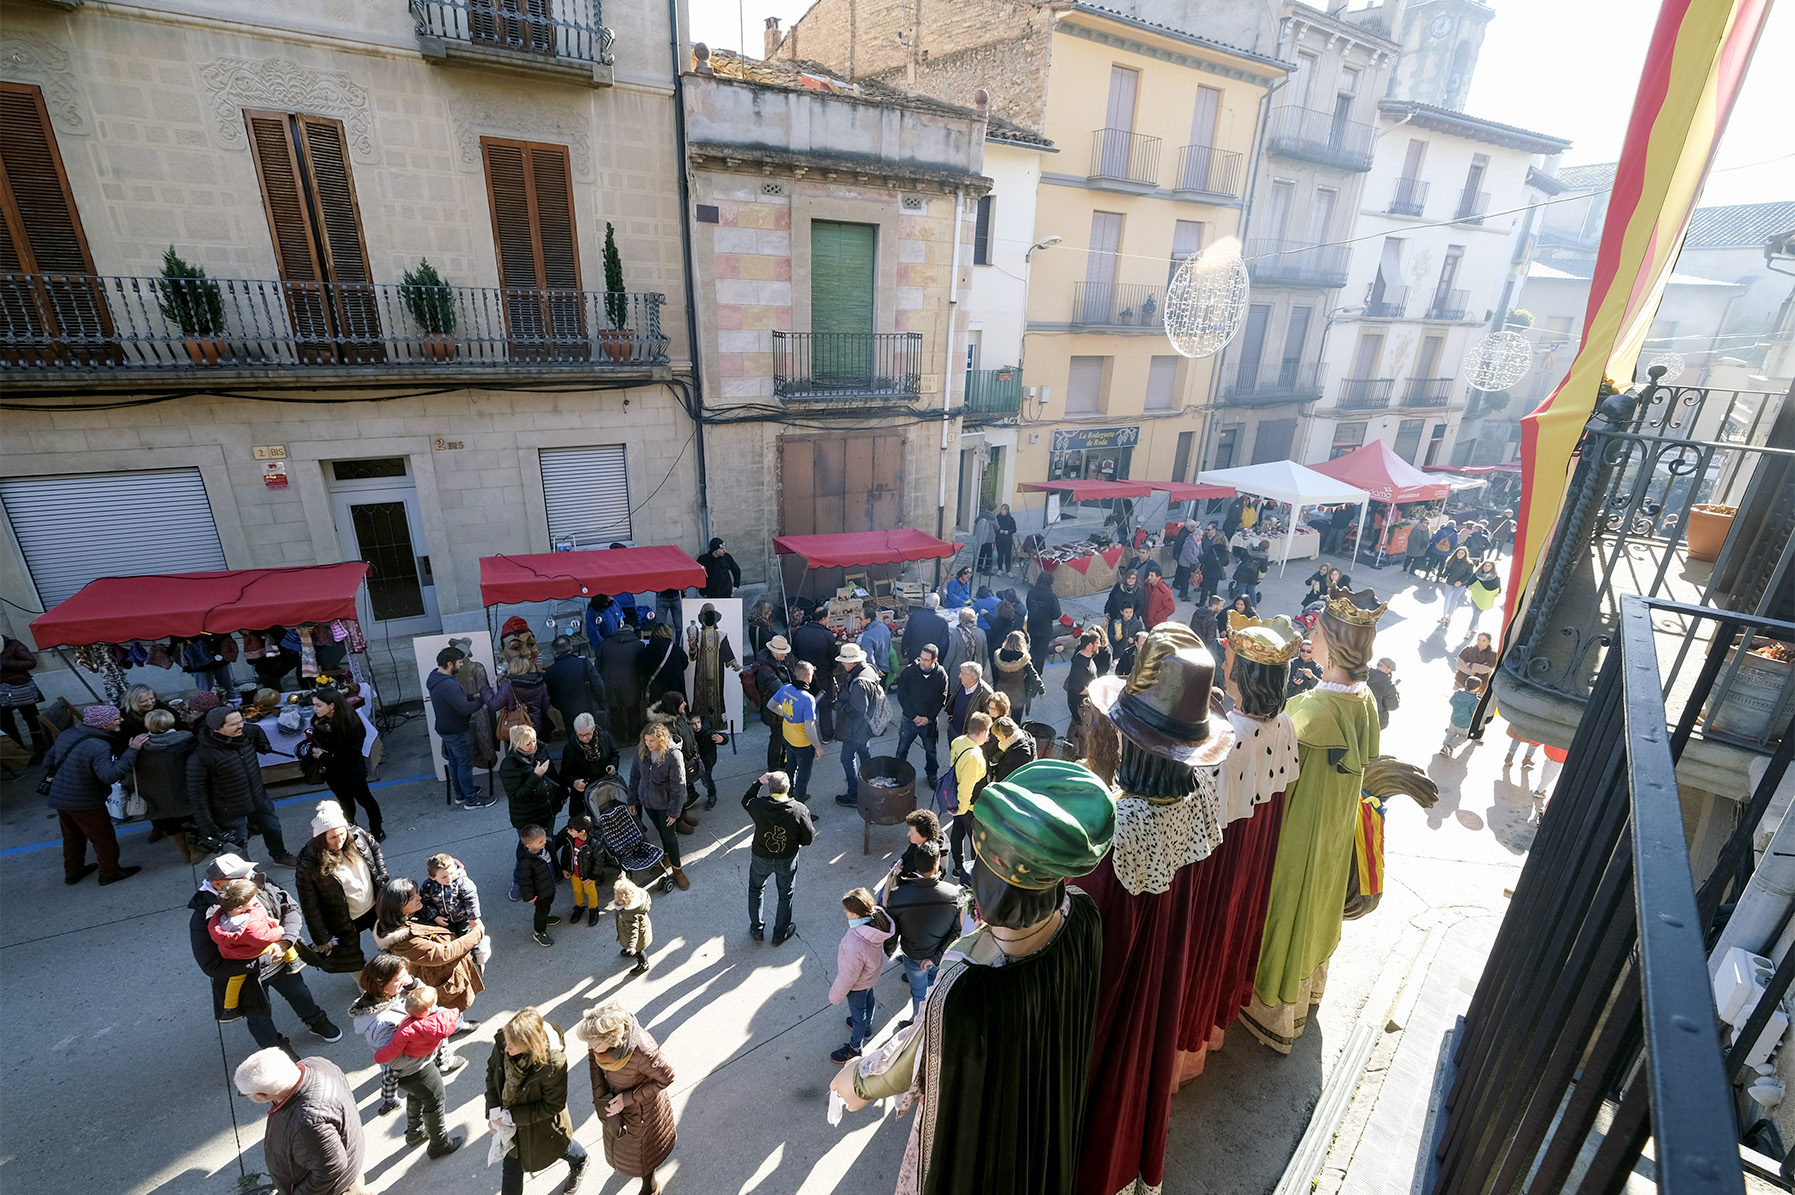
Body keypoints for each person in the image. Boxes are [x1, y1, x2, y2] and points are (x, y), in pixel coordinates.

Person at [830, 760, 1115, 1194]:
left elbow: (918, 1054)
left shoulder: (968, 980)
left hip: (992, 1136)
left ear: (996, 880)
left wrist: (856, 1078)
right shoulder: (1084, 914)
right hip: (1050, 1108)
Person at [191, 854, 340, 1053]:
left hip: (283, 964)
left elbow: (290, 908)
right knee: (259, 1017)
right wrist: (265, 959)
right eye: (240, 877)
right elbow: (211, 965)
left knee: (300, 993)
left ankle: (316, 1021)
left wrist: (286, 941)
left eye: (246, 873)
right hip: (247, 980)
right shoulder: (203, 917)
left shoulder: (257, 883)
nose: (249, 878)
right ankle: (277, 1052)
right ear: (218, 884)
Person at [351, 957, 468, 1157]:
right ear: (382, 985)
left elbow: (426, 999)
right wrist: (429, 1048)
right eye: (399, 978)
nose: (405, 979)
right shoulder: (381, 1024)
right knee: (435, 1099)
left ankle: (415, 1133)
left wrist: (413, 983)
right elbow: (394, 1059)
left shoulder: (392, 993)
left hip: (413, 1072)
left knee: (418, 1095)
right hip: (414, 1070)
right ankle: (439, 1144)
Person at [572, 1000, 678, 1195]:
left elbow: (667, 1076)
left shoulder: (644, 1052)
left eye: (593, 1043)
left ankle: (650, 1188)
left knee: (643, 1156)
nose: (590, 1046)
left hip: (642, 1112)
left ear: (611, 1039)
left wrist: (626, 1099)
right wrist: (603, 1100)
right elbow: (595, 1066)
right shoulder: (599, 1045)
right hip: (617, 1107)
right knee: (628, 1151)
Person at [485, 1008, 588, 1195]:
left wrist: (511, 1116)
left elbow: (553, 1105)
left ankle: (581, 1160)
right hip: (512, 1127)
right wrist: (493, 1111)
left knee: (561, 1147)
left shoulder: (552, 1064)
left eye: (512, 1046)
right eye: (506, 1042)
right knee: (511, 1169)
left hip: (542, 1127)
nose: (506, 1048)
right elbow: (493, 1073)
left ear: (529, 1045)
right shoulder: (505, 1038)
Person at [234, 1049, 366, 1195]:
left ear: (261, 1096)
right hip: (349, 1165)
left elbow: (331, 1167)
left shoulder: (308, 1124)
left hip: (338, 1189)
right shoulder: (317, 1064)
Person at [45, 704, 146, 886]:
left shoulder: (67, 734)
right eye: (116, 719)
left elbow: (48, 761)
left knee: (72, 836)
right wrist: (133, 751)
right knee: (103, 838)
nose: (120, 720)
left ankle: (73, 872)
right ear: (103, 724)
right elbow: (109, 775)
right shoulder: (99, 746)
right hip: (85, 802)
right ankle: (109, 873)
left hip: (60, 797)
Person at [184, 705, 296, 866]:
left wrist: (263, 743)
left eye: (241, 721)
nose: (240, 726)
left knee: (273, 828)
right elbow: (197, 796)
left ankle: (280, 855)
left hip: (258, 797)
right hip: (229, 810)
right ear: (217, 729)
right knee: (238, 846)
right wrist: (208, 828)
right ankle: (246, 876)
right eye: (233, 724)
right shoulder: (200, 757)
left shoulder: (245, 734)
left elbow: (256, 730)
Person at [372, 877, 487, 1023]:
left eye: (416, 893)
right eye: (413, 897)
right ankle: (455, 1027)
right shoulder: (403, 941)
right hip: (439, 980)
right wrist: (477, 934)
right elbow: (442, 954)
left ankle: (457, 1024)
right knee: (445, 1014)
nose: (419, 898)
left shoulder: (412, 915)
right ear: (399, 906)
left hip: (446, 973)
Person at [294, 801, 387, 971]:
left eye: (342, 834)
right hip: (343, 920)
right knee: (351, 961)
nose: (339, 841)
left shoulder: (358, 836)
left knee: (390, 943)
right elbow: (309, 904)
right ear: (322, 838)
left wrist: (382, 877)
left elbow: (375, 849)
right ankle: (364, 987)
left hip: (374, 906)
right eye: (332, 837)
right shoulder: (309, 864)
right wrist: (322, 937)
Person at [881, 842, 963, 1022]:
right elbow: (956, 931)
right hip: (940, 955)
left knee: (919, 994)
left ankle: (919, 1026)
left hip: (913, 956)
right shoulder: (954, 894)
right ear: (936, 865)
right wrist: (935, 958)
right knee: (937, 987)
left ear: (916, 865)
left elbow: (892, 932)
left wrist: (890, 951)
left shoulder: (897, 895)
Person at [743, 770, 816, 945]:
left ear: (769, 788)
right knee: (785, 894)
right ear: (788, 787)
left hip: (761, 857)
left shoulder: (759, 806)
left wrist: (758, 782)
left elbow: (745, 800)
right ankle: (779, 934)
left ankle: (757, 929)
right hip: (786, 858)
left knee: (756, 890)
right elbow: (808, 838)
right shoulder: (799, 810)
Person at [304, 688, 382, 843]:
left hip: (351, 770)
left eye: (319, 705)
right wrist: (314, 749)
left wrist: (325, 755)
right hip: (332, 771)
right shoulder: (318, 720)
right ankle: (350, 829)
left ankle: (377, 830)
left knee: (365, 800)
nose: (315, 709)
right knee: (345, 803)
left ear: (332, 706)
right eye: (314, 705)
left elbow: (353, 751)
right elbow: (317, 740)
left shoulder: (351, 722)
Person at [828, 887, 896, 1062]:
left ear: (857, 914)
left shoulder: (855, 942)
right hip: (869, 977)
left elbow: (848, 976)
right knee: (869, 1000)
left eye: (848, 910)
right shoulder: (876, 921)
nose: (845, 912)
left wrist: (835, 996)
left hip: (858, 984)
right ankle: (867, 1028)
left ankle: (855, 1047)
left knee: (858, 1015)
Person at [427, 646, 496, 809]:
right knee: (464, 764)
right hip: (457, 730)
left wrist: (474, 695)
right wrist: (483, 699)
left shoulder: (434, 677)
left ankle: (461, 794)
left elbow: (454, 698)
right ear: (450, 663)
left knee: (454, 762)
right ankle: (472, 800)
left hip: (445, 728)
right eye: (459, 662)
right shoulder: (449, 685)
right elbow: (465, 708)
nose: (462, 665)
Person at [136, 707, 205, 863]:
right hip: (184, 789)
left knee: (170, 825)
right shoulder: (186, 739)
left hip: (157, 794)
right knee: (191, 821)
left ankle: (184, 853)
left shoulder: (140, 745)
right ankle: (195, 852)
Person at [629, 723, 690, 891]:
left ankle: (678, 870)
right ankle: (667, 857)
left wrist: (674, 812)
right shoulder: (641, 749)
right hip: (648, 802)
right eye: (646, 740)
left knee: (670, 837)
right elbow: (634, 775)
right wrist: (632, 800)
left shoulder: (673, 755)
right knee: (662, 832)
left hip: (665, 805)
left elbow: (679, 786)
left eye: (652, 741)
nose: (648, 744)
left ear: (662, 740)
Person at [208, 877, 304, 971]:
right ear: (239, 908)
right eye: (252, 900)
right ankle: (293, 960)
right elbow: (264, 938)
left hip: (233, 953)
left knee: (236, 980)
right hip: (253, 951)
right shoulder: (249, 926)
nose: (255, 901)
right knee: (278, 941)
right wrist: (278, 930)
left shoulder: (219, 919)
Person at [831, 643, 882, 808]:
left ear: (852, 662)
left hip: (855, 729)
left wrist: (839, 706)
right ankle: (870, 783)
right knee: (864, 753)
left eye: (844, 661)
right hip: (865, 728)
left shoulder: (859, 683)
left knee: (846, 758)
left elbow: (859, 710)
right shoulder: (869, 669)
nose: (842, 664)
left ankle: (854, 795)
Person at [421, 853, 490, 968]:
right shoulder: (428, 886)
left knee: (466, 941)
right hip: (444, 919)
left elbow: (471, 898)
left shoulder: (461, 881)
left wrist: (473, 917)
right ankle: (465, 961)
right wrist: (434, 916)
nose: (449, 879)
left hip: (463, 918)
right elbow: (425, 902)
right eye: (444, 877)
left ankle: (476, 953)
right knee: (450, 943)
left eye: (451, 874)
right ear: (432, 877)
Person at [767, 662, 823, 803]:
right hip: (803, 743)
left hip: (788, 737)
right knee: (803, 777)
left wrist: (786, 714)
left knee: (790, 767)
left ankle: (789, 793)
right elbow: (809, 727)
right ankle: (799, 804)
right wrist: (817, 746)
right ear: (809, 677)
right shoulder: (808, 699)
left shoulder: (785, 689)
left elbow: (770, 705)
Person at [894, 646, 949, 789]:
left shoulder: (941, 675)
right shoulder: (909, 672)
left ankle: (932, 774)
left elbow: (941, 699)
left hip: (928, 722)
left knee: (931, 750)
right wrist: (913, 716)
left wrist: (929, 718)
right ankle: (898, 774)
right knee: (902, 748)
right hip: (909, 719)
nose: (922, 662)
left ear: (934, 660)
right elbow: (902, 695)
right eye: (921, 658)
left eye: (926, 660)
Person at [945, 712, 991, 882]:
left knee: (957, 832)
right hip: (969, 806)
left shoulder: (958, 741)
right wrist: (961, 809)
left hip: (956, 799)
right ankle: (971, 873)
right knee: (975, 839)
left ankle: (958, 866)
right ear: (983, 732)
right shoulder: (974, 756)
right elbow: (966, 786)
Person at [499, 724, 563, 835]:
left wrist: (562, 794)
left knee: (548, 841)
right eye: (527, 743)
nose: (533, 746)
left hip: (548, 811)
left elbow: (553, 776)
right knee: (531, 850)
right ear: (517, 744)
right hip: (528, 818)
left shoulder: (541, 751)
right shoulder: (509, 765)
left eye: (534, 740)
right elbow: (516, 796)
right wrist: (536, 776)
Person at [544, 636, 609, 741]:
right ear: (571, 648)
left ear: (555, 652)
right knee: (595, 737)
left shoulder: (550, 671)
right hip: (590, 707)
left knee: (575, 740)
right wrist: (600, 700)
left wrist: (561, 706)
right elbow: (599, 685)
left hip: (568, 712)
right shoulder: (584, 663)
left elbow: (550, 695)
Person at [599, 614, 647, 749]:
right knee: (633, 711)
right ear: (631, 630)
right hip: (632, 683)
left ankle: (619, 739)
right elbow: (642, 668)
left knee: (615, 711)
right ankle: (633, 738)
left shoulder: (606, 642)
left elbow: (598, 664)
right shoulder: (638, 645)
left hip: (610, 683)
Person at [559, 712, 618, 821]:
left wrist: (613, 765)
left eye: (588, 734)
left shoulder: (605, 737)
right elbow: (564, 774)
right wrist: (574, 782)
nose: (584, 738)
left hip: (606, 789)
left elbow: (614, 753)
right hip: (585, 795)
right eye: (580, 735)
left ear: (594, 728)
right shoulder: (570, 749)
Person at [0, 635, 50, 764]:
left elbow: (30, 662)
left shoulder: (13, 644)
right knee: (7, 723)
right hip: (1, 692)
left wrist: (4, 664)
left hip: (20, 687)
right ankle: (21, 752)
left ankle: (40, 747)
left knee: (32, 718)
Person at [749, 635, 796, 771]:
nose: (786, 655)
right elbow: (781, 690)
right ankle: (773, 767)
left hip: (775, 708)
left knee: (780, 737)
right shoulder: (766, 670)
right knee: (777, 738)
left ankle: (780, 762)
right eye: (783, 653)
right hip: (774, 710)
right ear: (775, 652)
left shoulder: (771, 662)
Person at [555, 814, 603, 927]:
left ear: (581, 832)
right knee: (577, 891)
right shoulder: (570, 839)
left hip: (587, 875)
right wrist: (564, 868)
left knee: (591, 892)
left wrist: (592, 876)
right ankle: (579, 907)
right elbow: (566, 854)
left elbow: (599, 862)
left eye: (571, 830)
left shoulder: (594, 844)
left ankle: (593, 909)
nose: (568, 831)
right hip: (574, 873)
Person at [1064, 630, 1107, 753]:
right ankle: (1083, 760)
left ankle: (1067, 749)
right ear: (1089, 645)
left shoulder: (1087, 657)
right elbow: (1078, 688)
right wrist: (1095, 690)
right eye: (1097, 643)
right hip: (1080, 706)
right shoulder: (1080, 664)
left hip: (1081, 706)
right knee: (1085, 736)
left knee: (1074, 725)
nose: (1099, 645)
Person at [989, 630, 1044, 720]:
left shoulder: (998, 656)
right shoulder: (1023, 659)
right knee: (1015, 721)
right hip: (1018, 695)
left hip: (1001, 692)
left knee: (999, 720)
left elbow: (995, 674)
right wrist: (1041, 689)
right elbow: (1034, 675)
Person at [1025, 571, 1063, 675]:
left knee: (1033, 648)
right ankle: (1037, 675)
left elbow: (1028, 606)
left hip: (1032, 626)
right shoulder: (1051, 596)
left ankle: (1028, 671)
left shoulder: (1031, 592)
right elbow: (1057, 614)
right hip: (1044, 629)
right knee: (1041, 653)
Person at [614, 875, 654, 973]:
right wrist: (623, 878)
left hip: (637, 939)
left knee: (638, 952)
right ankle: (629, 949)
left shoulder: (630, 915)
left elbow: (633, 930)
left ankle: (643, 964)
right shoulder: (637, 898)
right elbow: (626, 887)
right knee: (632, 946)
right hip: (640, 931)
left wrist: (632, 945)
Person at [948, 661, 993, 740]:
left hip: (968, 736)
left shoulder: (986, 694)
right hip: (954, 729)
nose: (959, 676)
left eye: (962, 673)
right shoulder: (963, 683)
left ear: (972, 678)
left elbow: (987, 718)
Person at [943, 607, 989, 679]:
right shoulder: (981, 633)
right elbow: (985, 653)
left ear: (960, 619)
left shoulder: (956, 634)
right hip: (975, 670)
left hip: (958, 672)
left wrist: (944, 669)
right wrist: (982, 667)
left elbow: (950, 655)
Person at [1441, 677, 1482, 757]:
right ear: (1477, 688)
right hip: (1465, 724)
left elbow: (1451, 701)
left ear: (1466, 683)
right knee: (1463, 737)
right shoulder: (1475, 700)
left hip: (1454, 719)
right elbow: (1474, 713)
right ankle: (1450, 746)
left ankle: (1444, 746)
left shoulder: (1458, 692)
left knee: (1450, 733)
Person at [1437, 546, 1476, 628]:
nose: (1460, 554)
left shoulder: (1469, 564)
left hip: (1460, 585)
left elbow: (1470, 575)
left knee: (1453, 600)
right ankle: (1444, 616)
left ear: (1465, 554)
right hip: (1450, 582)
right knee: (1447, 599)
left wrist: (1461, 582)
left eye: (1462, 553)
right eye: (1458, 552)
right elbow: (1447, 570)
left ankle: (1449, 616)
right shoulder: (1451, 560)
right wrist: (1443, 576)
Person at [989, 716, 1036, 783]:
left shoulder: (1018, 754)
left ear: (1003, 736)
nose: (997, 739)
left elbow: (1004, 778)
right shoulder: (1022, 735)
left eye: (997, 736)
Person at [857, 602, 893, 679]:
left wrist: (876, 670)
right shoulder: (884, 628)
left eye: (860, 619)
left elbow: (869, 658)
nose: (859, 621)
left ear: (868, 620)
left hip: (876, 672)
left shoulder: (867, 636)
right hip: (885, 667)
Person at [1109, 603, 1145, 674]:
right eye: (1126, 612)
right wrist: (1115, 638)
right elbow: (1110, 635)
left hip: (1131, 653)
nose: (1129, 614)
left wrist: (1134, 639)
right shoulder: (1116, 623)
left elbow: (1142, 636)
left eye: (1131, 612)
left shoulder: (1138, 624)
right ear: (1121, 612)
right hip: (1119, 652)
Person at [1467, 560, 1502, 632]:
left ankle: (1469, 631)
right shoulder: (1476, 574)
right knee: (1475, 613)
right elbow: (1469, 583)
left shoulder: (1495, 578)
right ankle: (1476, 625)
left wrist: (1497, 593)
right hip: (1475, 598)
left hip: (1485, 601)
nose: (1486, 567)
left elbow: (1498, 589)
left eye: (1489, 566)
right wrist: (1469, 587)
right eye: (1485, 565)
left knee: (1476, 614)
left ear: (1492, 568)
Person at [1367, 658, 1400, 730]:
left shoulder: (1364, 674)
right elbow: (1392, 706)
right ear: (1389, 669)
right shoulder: (1388, 686)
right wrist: (1396, 692)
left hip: (1357, 714)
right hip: (1376, 721)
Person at [1176, 523, 1204, 601]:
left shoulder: (1199, 542)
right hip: (1185, 563)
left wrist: (1202, 557)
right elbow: (1187, 553)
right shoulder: (1189, 542)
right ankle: (1184, 595)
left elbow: (1200, 550)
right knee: (1185, 580)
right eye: (1199, 535)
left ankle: (1183, 593)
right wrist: (1196, 560)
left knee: (1186, 579)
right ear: (1195, 535)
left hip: (1190, 563)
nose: (1200, 537)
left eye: (1201, 535)